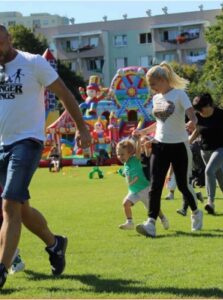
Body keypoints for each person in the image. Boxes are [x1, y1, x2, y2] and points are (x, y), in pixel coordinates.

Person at [0, 24, 91, 288]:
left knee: (9, 206)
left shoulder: (33, 63)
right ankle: (55, 244)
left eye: (0, 42)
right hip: (2, 144)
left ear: (9, 38)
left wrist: (82, 128)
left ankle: (2, 270)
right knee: (20, 208)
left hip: (27, 142)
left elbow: (65, 94)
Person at [132, 62, 203, 237]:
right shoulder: (156, 99)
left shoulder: (180, 94)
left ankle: (195, 212)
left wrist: (195, 123)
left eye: (154, 84)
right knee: (155, 186)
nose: (152, 89)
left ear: (163, 80)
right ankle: (151, 223)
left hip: (179, 146)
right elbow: (160, 122)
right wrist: (143, 132)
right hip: (159, 145)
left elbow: (191, 113)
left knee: (182, 185)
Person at [190, 93, 223, 215]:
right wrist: (188, 142)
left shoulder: (220, 113)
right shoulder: (198, 116)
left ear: (208, 105)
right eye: (197, 109)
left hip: (222, 149)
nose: (199, 111)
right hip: (205, 150)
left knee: (209, 171)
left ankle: (210, 202)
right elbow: (197, 130)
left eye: (200, 108)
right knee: (219, 176)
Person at [116, 139, 169, 231]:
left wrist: (138, 139)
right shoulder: (126, 164)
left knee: (152, 208)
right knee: (125, 203)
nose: (120, 157)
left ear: (130, 153)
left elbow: (137, 151)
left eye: (122, 154)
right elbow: (128, 174)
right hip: (134, 191)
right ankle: (129, 222)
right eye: (118, 154)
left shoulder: (135, 159)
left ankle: (163, 218)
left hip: (145, 190)